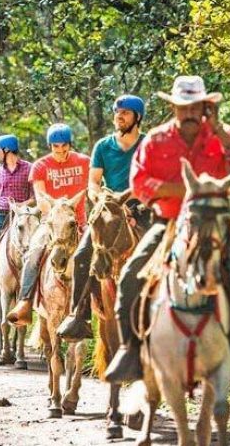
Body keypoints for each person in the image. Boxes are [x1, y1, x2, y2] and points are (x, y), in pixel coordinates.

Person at [103, 75, 230, 386]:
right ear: (173, 108)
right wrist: (179, 191)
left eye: (195, 107)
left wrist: (218, 129)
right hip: (168, 222)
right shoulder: (156, 140)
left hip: (213, 224)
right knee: (131, 277)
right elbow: (139, 182)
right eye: (183, 107)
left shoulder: (220, 136)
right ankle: (129, 351)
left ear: (205, 107)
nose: (189, 113)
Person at [55, 94, 149, 341]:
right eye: (117, 112)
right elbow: (93, 183)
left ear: (137, 117)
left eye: (125, 113)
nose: (119, 117)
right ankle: (79, 316)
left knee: (165, 247)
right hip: (108, 209)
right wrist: (101, 199)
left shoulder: (148, 144)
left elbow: (152, 179)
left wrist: (128, 200)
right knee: (82, 255)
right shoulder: (103, 146)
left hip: (140, 206)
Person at [6, 123, 90, 325]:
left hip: (79, 221)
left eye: (64, 146)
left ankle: (99, 303)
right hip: (50, 222)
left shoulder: (85, 162)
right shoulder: (40, 166)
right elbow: (41, 200)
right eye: (55, 146)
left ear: (70, 144)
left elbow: (93, 189)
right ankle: (25, 302)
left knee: (100, 252)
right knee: (34, 252)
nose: (60, 150)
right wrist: (58, 207)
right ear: (50, 146)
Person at [0, 134, 34, 307]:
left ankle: (36, 290)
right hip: (0, 215)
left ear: (7, 150)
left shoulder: (29, 168)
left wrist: (19, 205)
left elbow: (34, 197)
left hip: (23, 216)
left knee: (38, 247)